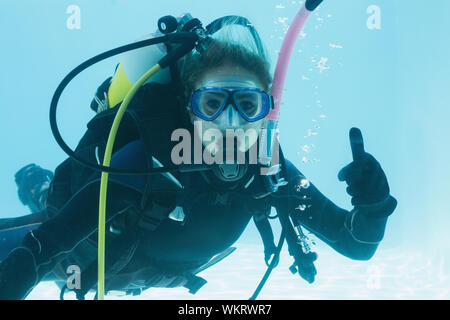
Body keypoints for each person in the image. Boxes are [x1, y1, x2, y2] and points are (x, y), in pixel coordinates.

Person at [0, 17, 397, 300]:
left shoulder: (268, 170)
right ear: (190, 109)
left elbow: (355, 244)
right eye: (212, 103)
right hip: (79, 262)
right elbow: (49, 242)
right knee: (45, 206)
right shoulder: (148, 161)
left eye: (246, 104)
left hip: (162, 274)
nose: (229, 123)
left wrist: (373, 207)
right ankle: (38, 183)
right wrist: (25, 265)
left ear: (266, 113)